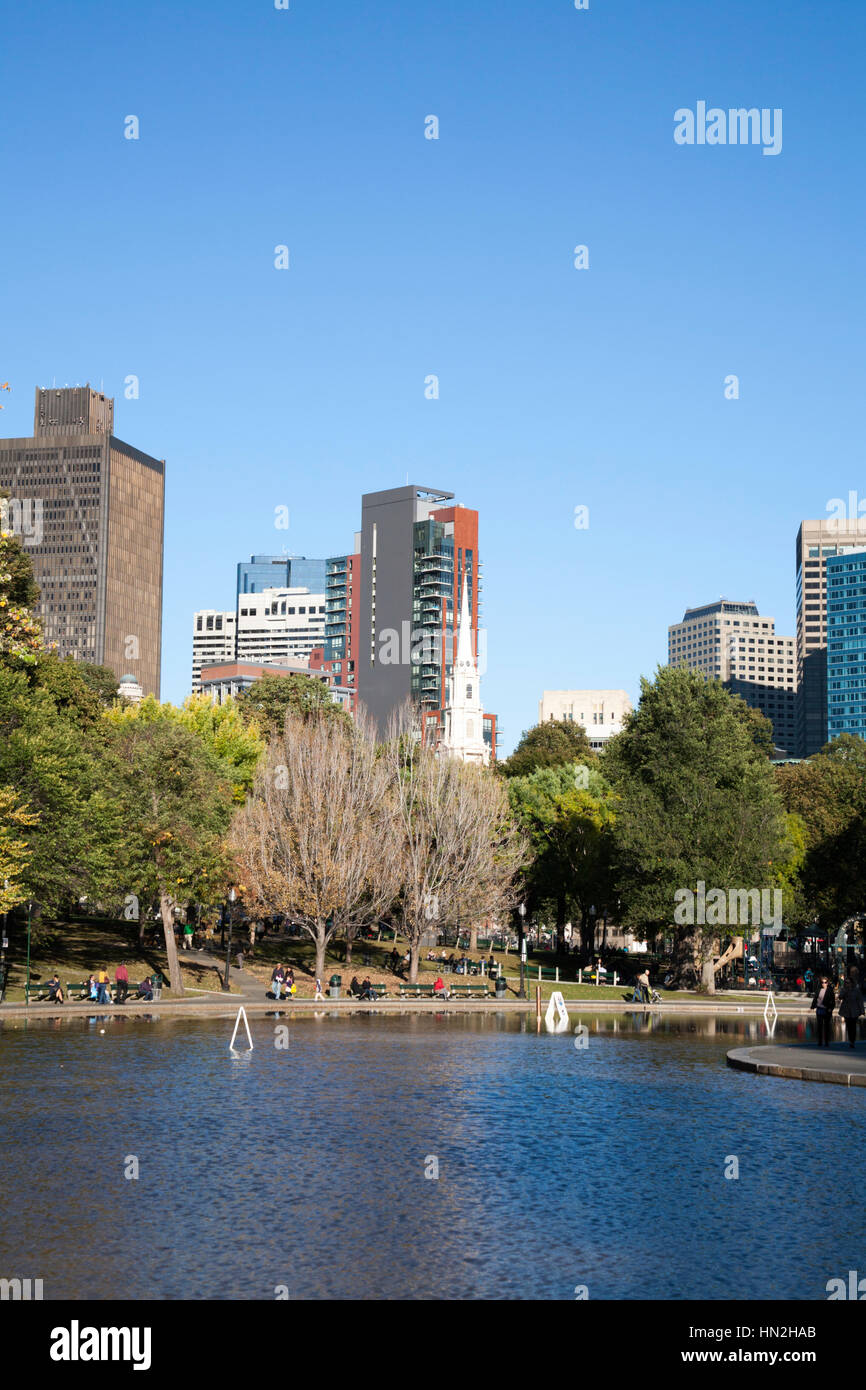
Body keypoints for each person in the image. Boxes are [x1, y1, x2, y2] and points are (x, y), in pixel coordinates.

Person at [838, 967, 864, 1049]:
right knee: (849, 1026)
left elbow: (860, 1001)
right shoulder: (844, 990)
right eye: (846, 983)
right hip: (846, 1011)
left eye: (848, 983)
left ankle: (852, 1041)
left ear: (852, 983)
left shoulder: (856, 990)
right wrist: (844, 991)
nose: (847, 984)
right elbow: (840, 997)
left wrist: (862, 1010)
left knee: (853, 1026)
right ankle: (850, 1040)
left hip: (854, 1011)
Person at [811, 973, 836, 1047]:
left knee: (827, 1026)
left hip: (827, 1010)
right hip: (819, 1009)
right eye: (822, 982)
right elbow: (815, 999)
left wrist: (830, 1009)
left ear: (827, 983)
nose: (823, 984)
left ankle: (827, 1041)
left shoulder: (830, 990)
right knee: (819, 1026)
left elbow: (833, 1001)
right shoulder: (818, 990)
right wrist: (812, 1006)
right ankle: (820, 1041)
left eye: (825, 982)